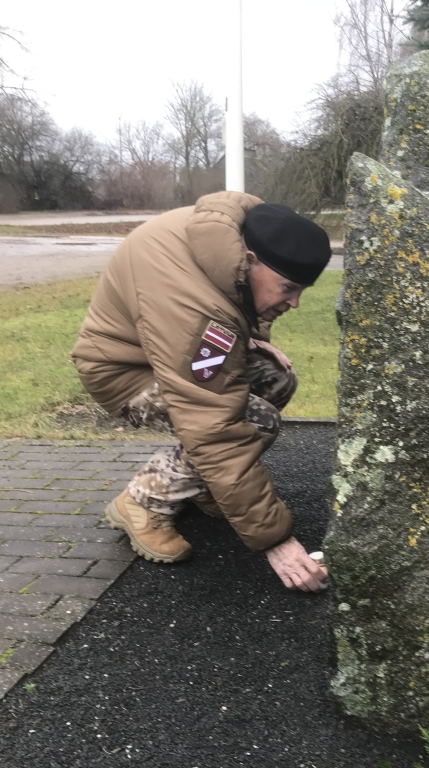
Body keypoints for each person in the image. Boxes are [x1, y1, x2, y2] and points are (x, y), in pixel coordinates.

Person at [71, 192, 330, 593]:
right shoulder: (194, 307)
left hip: (160, 351)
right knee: (254, 422)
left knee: (276, 377)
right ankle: (143, 501)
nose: (294, 303)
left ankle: (203, 484)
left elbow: (237, 300)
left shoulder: (224, 238)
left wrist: (252, 335)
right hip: (122, 371)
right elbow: (214, 429)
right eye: (288, 287)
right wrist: (275, 540)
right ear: (249, 260)